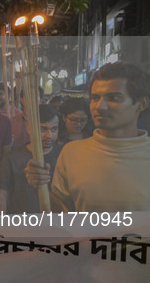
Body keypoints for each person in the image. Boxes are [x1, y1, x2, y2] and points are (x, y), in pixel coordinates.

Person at [26, 62, 150, 212]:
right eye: (95, 98)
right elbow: (64, 215)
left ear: (141, 103)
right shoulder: (71, 153)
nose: (100, 106)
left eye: (114, 98)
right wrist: (40, 186)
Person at [0, 104, 63, 214]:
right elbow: (3, 193)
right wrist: (0, 223)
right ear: (29, 128)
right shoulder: (13, 157)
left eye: (54, 129)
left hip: (56, 222)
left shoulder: (63, 156)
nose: (49, 135)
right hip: (20, 222)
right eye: (43, 129)